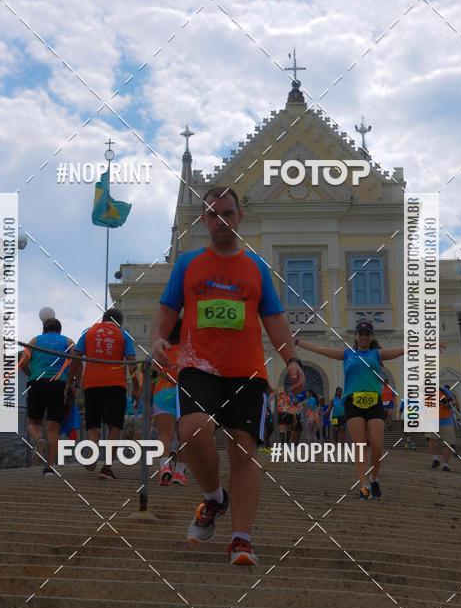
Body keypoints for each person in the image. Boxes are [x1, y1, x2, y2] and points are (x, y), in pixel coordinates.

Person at [151, 186, 305, 566]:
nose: (221, 221)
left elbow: (274, 319)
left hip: (248, 372)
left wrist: (292, 360)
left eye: (228, 213)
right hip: (198, 366)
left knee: (244, 448)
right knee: (193, 430)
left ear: (240, 216)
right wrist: (156, 339)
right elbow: (168, 309)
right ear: (203, 220)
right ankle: (214, 496)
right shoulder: (187, 264)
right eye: (213, 214)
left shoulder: (256, 268)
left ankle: (241, 538)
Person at [295, 321, 405, 501]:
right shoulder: (347, 354)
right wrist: (299, 343)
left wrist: (427, 344)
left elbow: (402, 349)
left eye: (367, 334)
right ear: (355, 336)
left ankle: (374, 478)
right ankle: (363, 485)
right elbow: (321, 349)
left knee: (377, 445)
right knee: (360, 445)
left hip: (374, 402)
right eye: (361, 333)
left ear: (371, 337)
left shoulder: (377, 354)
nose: (364, 337)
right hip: (352, 402)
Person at [66, 308, 138, 480]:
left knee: (92, 423)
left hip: (91, 383)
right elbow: (132, 362)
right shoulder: (123, 334)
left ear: (104, 319)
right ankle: (107, 467)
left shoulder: (88, 331)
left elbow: (75, 356)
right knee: (115, 425)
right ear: (118, 322)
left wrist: (70, 383)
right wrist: (136, 387)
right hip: (115, 384)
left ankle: (92, 446)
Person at [20, 317, 74, 477]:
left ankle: (38, 439)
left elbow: (22, 363)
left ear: (44, 329)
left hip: (37, 382)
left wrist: (32, 376)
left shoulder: (35, 340)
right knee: (53, 427)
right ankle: (49, 468)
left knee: (33, 422)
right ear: (59, 330)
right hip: (59, 384)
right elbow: (77, 362)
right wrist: (73, 384)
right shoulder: (68, 341)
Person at [152, 317, 188, 485]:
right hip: (183, 393)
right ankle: (180, 473)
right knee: (184, 436)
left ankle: (164, 467)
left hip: (162, 393)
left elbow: (152, 371)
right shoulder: (187, 351)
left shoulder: (161, 351)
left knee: (164, 434)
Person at [427, 386, 457, 472]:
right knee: (433, 439)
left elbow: (453, 402)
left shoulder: (444, 391)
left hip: (443, 420)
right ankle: (439, 461)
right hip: (435, 420)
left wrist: (445, 404)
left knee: (447, 443)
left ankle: (443, 463)